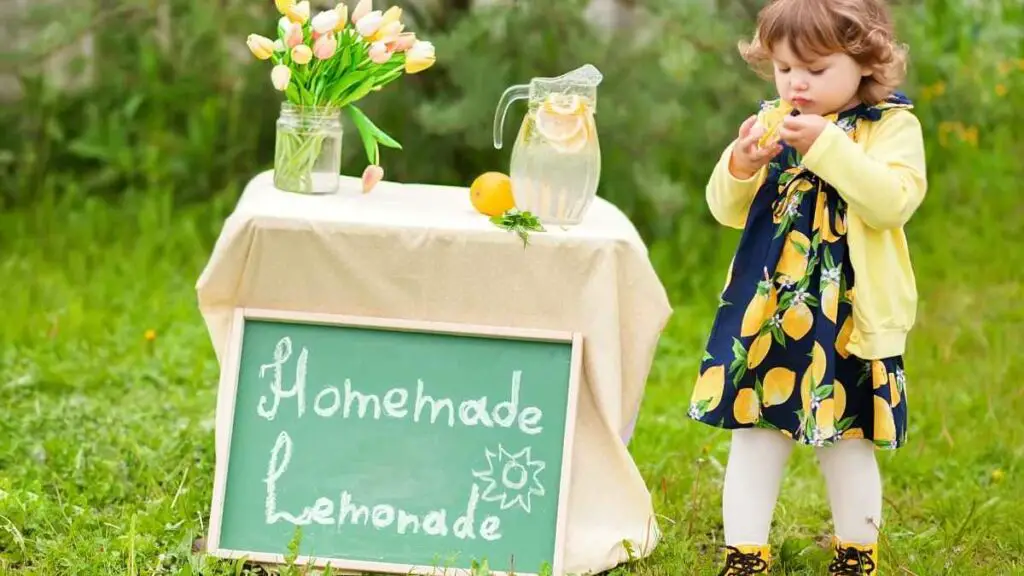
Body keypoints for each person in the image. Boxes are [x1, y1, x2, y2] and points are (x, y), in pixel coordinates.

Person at [687, 0, 927, 574]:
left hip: (846, 320)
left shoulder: (890, 127)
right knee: (754, 432)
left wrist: (824, 144)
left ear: (864, 61)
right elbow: (724, 210)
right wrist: (742, 163)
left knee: (848, 441)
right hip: (769, 313)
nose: (796, 83)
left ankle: (855, 553)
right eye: (783, 68)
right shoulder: (775, 119)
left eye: (815, 71)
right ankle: (745, 554)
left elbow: (891, 202)